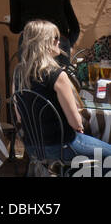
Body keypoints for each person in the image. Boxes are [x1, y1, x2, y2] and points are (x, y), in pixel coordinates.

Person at [13, 19, 111, 169]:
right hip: (63, 146)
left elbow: (19, 116)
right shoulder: (58, 75)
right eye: (56, 38)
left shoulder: (18, 73)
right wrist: (78, 124)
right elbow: (75, 122)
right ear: (45, 42)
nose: (59, 42)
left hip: (33, 147)